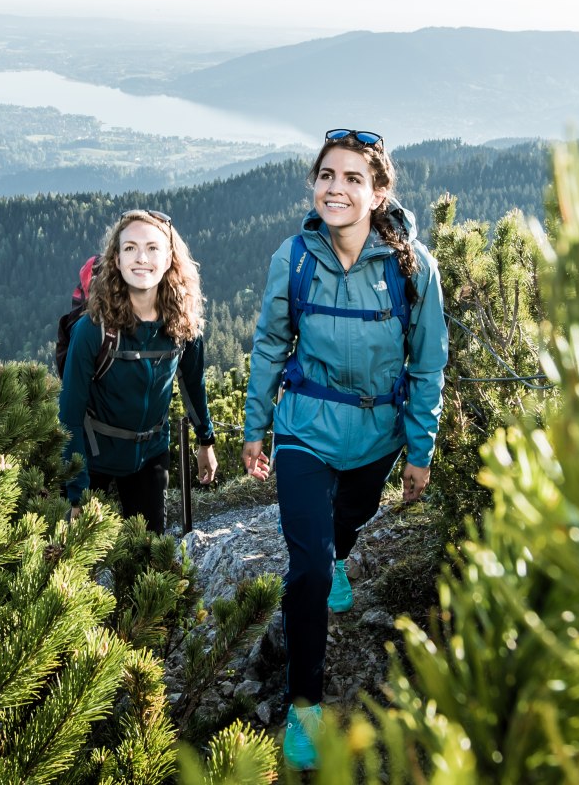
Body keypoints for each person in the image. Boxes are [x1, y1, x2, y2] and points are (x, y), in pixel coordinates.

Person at [241, 129, 446, 770]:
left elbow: (428, 364)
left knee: (346, 525)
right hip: (304, 429)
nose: (336, 188)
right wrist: (255, 427)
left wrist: (419, 449)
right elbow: (271, 344)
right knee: (305, 565)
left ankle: (338, 557)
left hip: (377, 436)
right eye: (327, 175)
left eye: (354, 178)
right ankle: (305, 701)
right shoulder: (294, 258)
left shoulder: (413, 268)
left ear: (379, 191)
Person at [60, 208, 219, 532]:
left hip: (150, 455)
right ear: (116, 260)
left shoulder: (183, 324)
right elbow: (70, 415)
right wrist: (76, 495)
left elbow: (193, 383)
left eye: (152, 248)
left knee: (150, 561)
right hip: (93, 455)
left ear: (169, 258)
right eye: (130, 248)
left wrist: (206, 441)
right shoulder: (93, 329)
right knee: (77, 568)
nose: (141, 257)